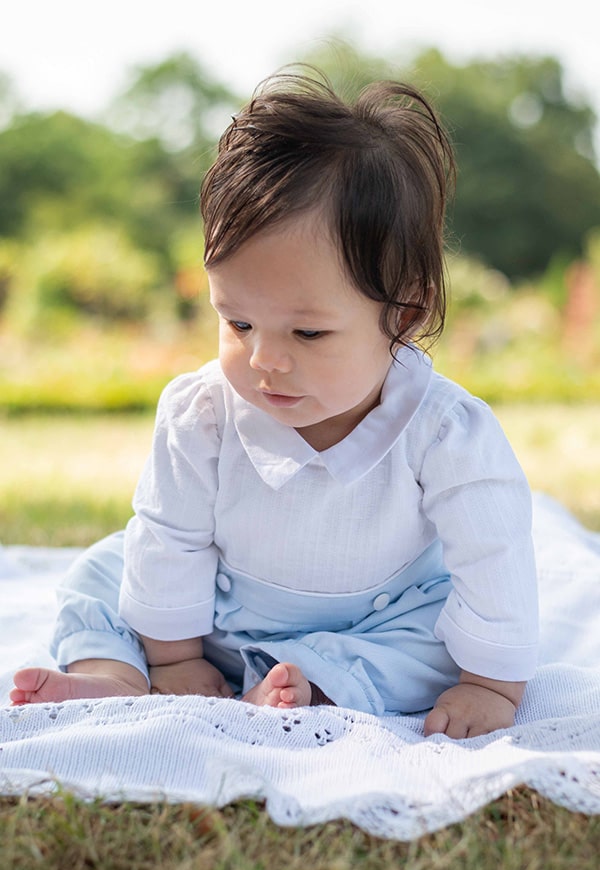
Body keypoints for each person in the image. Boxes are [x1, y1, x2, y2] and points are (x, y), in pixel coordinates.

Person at [11, 70, 538, 738]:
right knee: (108, 569)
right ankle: (118, 677)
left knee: (440, 638)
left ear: (404, 312)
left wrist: (490, 683)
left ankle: (314, 686)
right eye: (238, 324)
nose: (264, 360)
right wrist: (174, 658)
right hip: (216, 620)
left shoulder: (444, 432)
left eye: (308, 332)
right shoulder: (202, 414)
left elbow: (495, 559)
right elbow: (171, 534)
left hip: (376, 623)